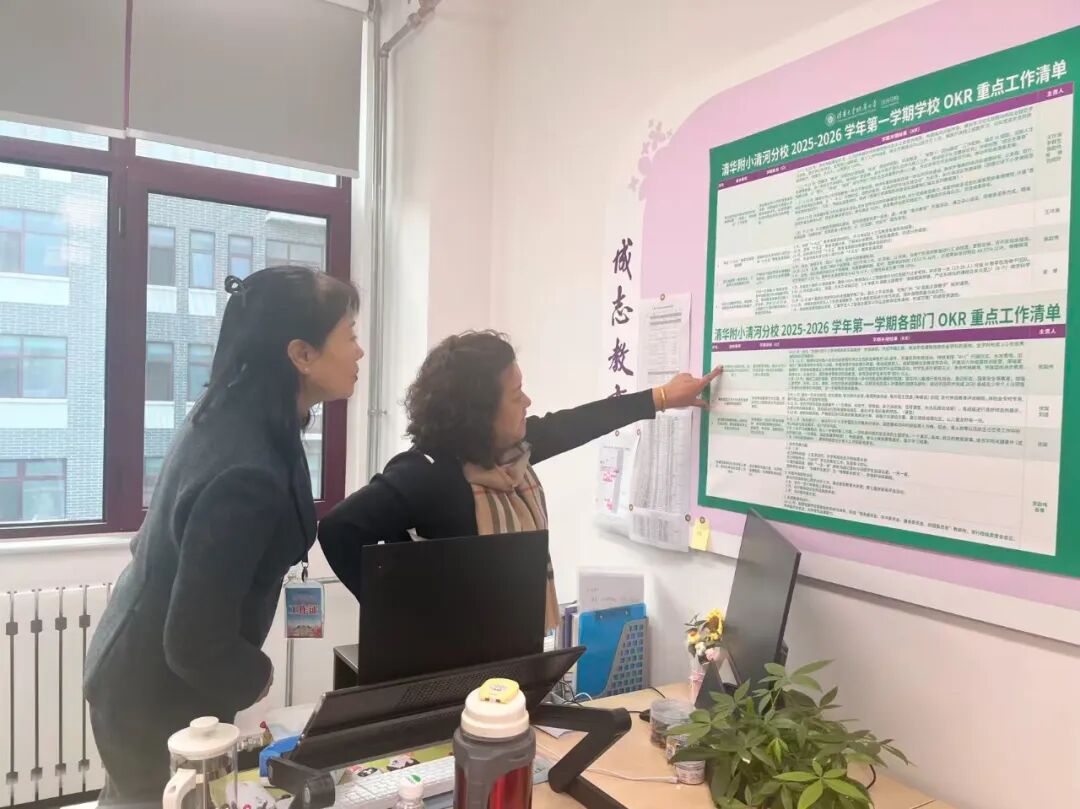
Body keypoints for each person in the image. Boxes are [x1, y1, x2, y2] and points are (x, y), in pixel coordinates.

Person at [84, 267, 362, 805]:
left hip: (146, 672)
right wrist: (258, 676)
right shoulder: (246, 469)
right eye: (349, 335)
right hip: (153, 694)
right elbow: (194, 641)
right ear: (301, 354)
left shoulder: (244, 411)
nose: (359, 352)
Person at [319, 330, 720, 628]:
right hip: (447, 662)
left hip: (509, 646)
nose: (527, 402)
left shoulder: (509, 454)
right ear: (480, 411)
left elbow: (575, 424)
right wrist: (398, 609)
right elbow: (339, 529)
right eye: (516, 395)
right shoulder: (427, 473)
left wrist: (661, 397)